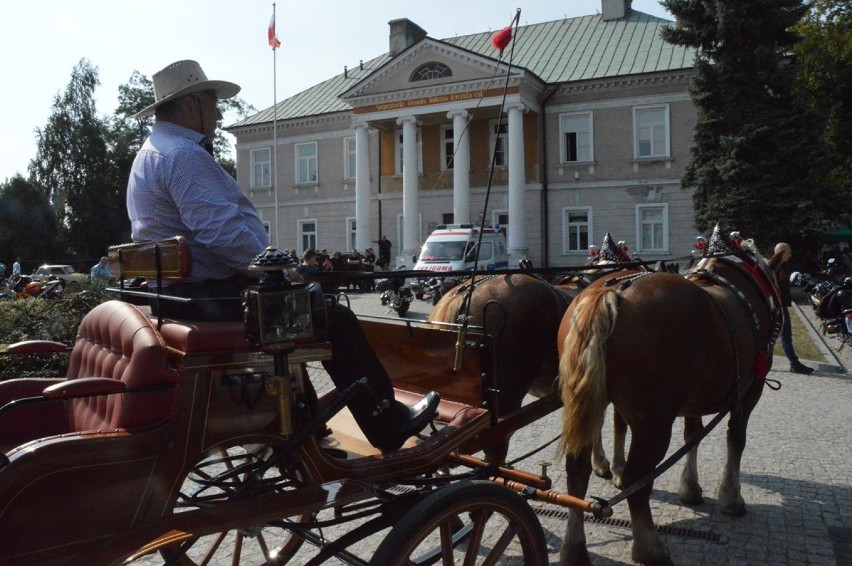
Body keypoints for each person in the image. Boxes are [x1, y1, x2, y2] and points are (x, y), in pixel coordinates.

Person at [125, 60, 438, 453]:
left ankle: (303, 420)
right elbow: (222, 232)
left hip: (181, 295)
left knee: (311, 305)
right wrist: (279, 269)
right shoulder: (183, 155)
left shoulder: (150, 153)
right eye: (212, 102)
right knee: (334, 317)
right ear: (191, 106)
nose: (219, 112)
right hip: (212, 296)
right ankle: (386, 422)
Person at [768, 242, 814, 375]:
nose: (791, 254)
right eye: (789, 252)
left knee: (775, 335)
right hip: (779, 307)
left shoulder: (780, 266)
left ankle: (763, 360)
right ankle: (795, 364)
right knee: (785, 336)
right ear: (782, 252)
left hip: (780, 306)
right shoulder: (775, 268)